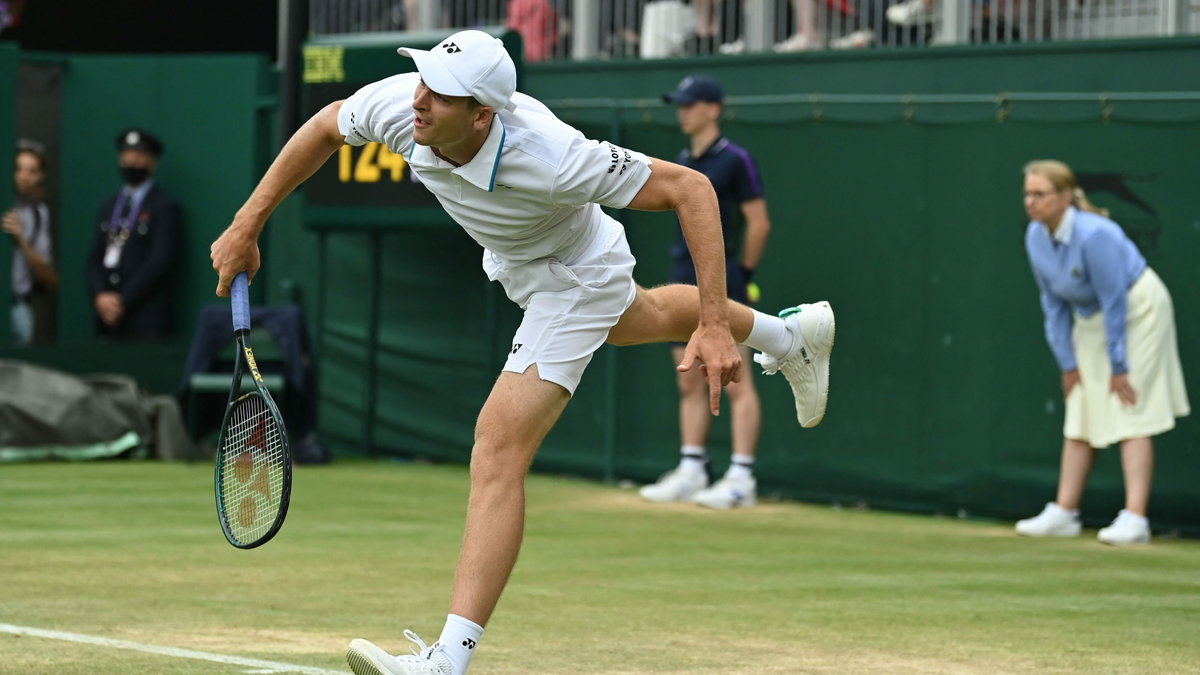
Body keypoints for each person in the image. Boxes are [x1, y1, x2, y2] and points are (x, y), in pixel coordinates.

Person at [209, 29, 835, 675]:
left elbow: (692, 189)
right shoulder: (404, 107)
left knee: (497, 446)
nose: (420, 99)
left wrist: (710, 321)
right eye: (423, 80)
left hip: (576, 271)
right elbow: (323, 127)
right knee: (639, 316)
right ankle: (791, 336)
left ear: (482, 115)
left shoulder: (556, 157)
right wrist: (246, 223)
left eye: (442, 94)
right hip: (521, 261)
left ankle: (446, 661)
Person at [1015, 159, 1189, 546]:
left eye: (1040, 194)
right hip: (1090, 316)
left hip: (1138, 308)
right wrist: (1068, 364)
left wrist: (1119, 364)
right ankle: (1065, 511)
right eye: (1027, 194)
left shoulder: (1097, 236)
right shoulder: (1035, 237)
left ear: (1064, 197)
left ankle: (1135, 518)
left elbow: (1115, 302)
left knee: (1130, 404)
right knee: (1081, 404)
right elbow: (1053, 304)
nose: (1031, 202)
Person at [639, 75, 772, 510]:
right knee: (690, 379)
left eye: (691, 104)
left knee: (736, 381)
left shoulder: (735, 159)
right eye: (679, 104)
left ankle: (741, 477)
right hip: (683, 275)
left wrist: (742, 273)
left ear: (713, 108)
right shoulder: (681, 160)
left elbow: (759, 222)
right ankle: (692, 469)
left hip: (725, 279)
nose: (683, 111)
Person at [85, 128, 182, 340]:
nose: (131, 164)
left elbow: (161, 261)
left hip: (144, 316)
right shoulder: (108, 207)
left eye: (138, 158)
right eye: (126, 158)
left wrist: (122, 301)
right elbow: (94, 257)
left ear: (151, 162)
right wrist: (101, 296)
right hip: (106, 319)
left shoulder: (164, 207)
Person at [4, 139, 58, 345]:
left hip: (18, 304)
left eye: (32, 171)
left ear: (41, 176)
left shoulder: (39, 214)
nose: (24, 177)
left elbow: (49, 276)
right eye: (18, 168)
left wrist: (21, 239)